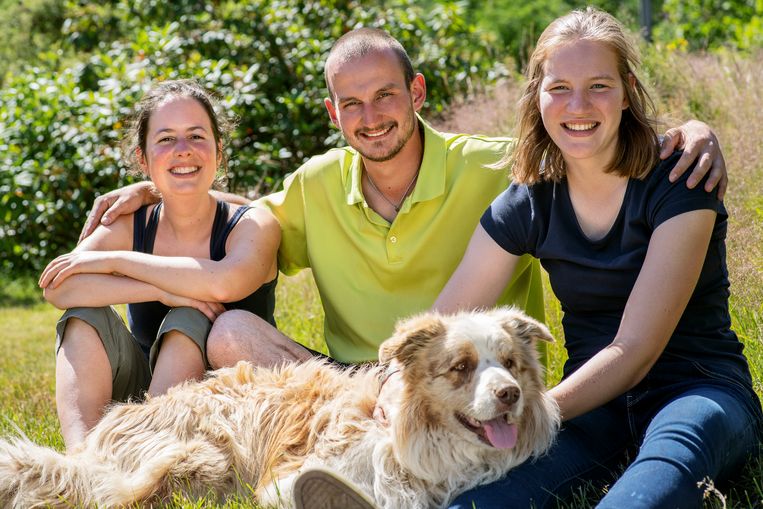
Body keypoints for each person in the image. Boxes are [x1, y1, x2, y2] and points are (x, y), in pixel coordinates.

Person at [78, 28, 727, 369]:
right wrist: (164, 182)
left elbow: (583, 136)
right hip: (355, 380)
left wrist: (689, 133)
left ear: (415, 92)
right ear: (333, 113)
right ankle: (357, 435)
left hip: (468, 376)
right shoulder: (314, 183)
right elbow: (236, 221)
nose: (372, 116)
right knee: (232, 332)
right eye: (352, 104)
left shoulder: (495, 164)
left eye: (385, 95)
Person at [424, 8, 761, 508]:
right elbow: (442, 323)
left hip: (697, 391)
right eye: (559, 87)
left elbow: (636, 347)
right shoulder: (529, 202)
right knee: (479, 500)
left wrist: (533, 409)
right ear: (537, 95)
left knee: (650, 484)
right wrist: (391, 391)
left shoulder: (680, 181)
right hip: (590, 406)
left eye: (599, 85)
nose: (577, 105)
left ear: (626, 91)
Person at [38, 80, 281, 450]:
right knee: (83, 317)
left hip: (226, 399)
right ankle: (82, 459)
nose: (182, 151)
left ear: (219, 150)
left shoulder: (250, 224)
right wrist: (159, 289)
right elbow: (60, 287)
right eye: (166, 139)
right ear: (143, 158)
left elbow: (224, 285)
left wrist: (117, 261)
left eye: (196, 136)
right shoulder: (131, 222)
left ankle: (142, 449)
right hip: (146, 386)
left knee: (190, 318)